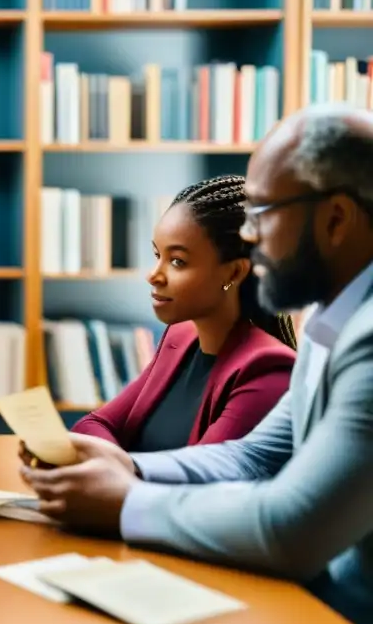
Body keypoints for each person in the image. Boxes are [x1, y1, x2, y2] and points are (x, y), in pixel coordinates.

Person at [20, 103, 373, 624]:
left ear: (336, 220)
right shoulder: (333, 318)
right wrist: (130, 468)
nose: (249, 238)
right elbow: (255, 454)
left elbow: (292, 529)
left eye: (262, 213)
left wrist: (127, 502)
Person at [71, 174, 297, 452]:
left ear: (234, 272)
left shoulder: (269, 371)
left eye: (177, 261)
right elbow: (93, 426)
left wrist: (108, 468)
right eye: (158, 256)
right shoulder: (180, 336)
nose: (154, 276)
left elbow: (197, 478)